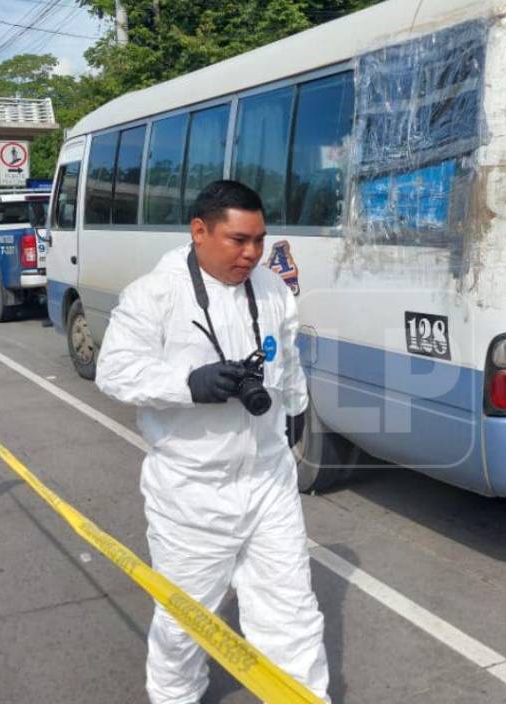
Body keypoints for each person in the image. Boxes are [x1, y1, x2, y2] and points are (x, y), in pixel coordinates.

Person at [95, 180, 330, 704]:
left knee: (291, 612)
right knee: (186, 623)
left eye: (259, 240)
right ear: (199, 232)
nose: (251, 253)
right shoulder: (153, 294)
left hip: (269, 483)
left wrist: (293, 411)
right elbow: (114, 371)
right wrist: (187, 384)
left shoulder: (272, 291)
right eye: (238, 240)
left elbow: (287, 363)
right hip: (191, 492)